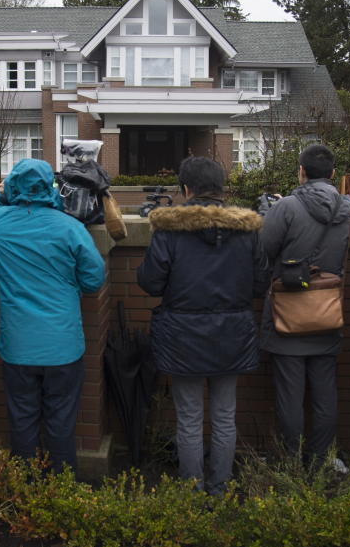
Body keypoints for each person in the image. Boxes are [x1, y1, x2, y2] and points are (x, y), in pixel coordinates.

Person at [137, 156, 268, 494]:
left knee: (190, 418)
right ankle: (220, 487)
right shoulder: (247, 231)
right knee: (225, 416)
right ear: (222, 188)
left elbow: (151, 283)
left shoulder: (169, 231)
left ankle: (192, 492)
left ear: (186, 189)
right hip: (233, 333)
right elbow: (260, 281)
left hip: (184, 336)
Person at [0, 158, 105, 472]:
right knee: (61, 423)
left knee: (22, 421)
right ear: (51, 189)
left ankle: (24, 492)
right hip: (63, 346)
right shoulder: (70, 227)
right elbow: (93, 279)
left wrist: (2, 194)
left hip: (17, 346)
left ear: (12, 187)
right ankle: (60, 494)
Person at [259, 144, 350, 462]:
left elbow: (264, 251)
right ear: (332, 174)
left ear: (301, 172)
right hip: (327, 309)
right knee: (325, 392)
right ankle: (322, 458)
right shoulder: (347, 208)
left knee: (290, 394)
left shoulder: (286, 207)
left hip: (289, 310)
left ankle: (291, 459)